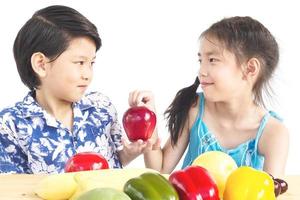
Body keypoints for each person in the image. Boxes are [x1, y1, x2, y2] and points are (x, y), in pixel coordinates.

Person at [129, 16, 289, 178]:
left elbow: (272, 191)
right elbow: (161, 169)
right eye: (201, 60)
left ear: (250, 68)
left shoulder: (273, 133)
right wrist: (149, 121)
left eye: (212, 60)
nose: (201, 71)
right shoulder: (195, 108)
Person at [0, 5, 151, 174]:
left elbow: (113, 162)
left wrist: (129, 153)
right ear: (41, 64)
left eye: (91, 63)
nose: (88, 74)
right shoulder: (10, 125)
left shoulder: (102, 107)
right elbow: (11, 190)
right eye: (80, 62)